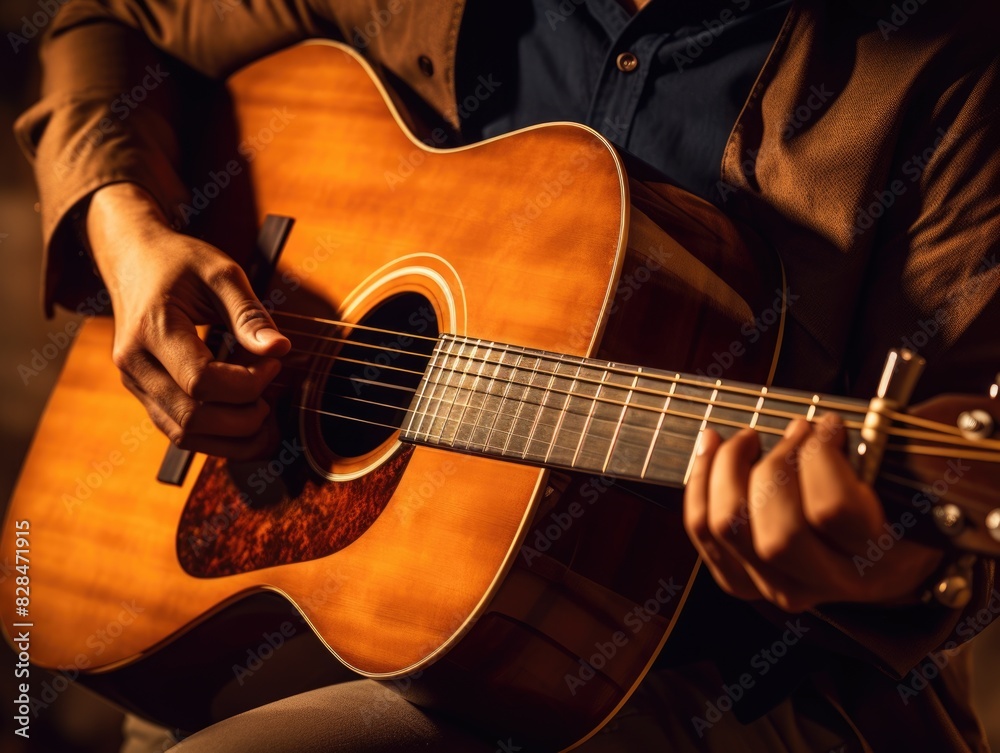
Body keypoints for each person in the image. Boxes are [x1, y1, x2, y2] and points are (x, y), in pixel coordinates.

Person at [14, 0, 1000, 751]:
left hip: (684, 677)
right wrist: (125, 226)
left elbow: (960, 527)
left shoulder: (950, 72)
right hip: (265, 604)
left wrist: (876, 561)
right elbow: (109, 22)